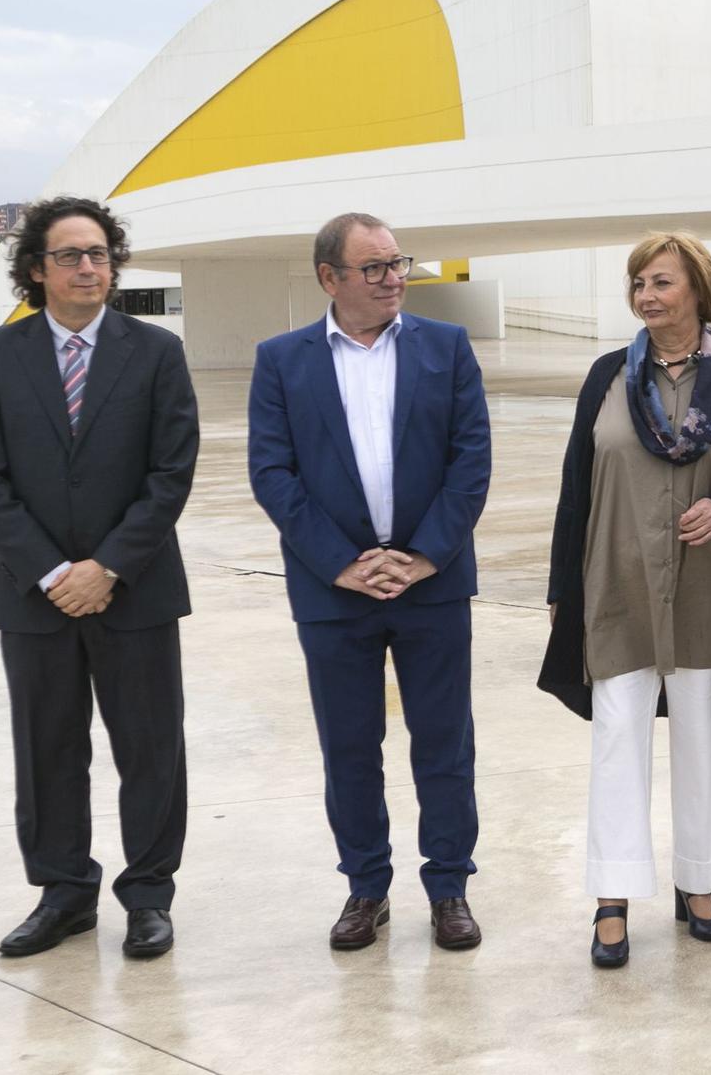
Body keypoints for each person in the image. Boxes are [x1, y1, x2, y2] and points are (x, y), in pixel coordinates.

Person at [0, 196, 198, 959]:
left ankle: (149, 895)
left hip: (138, 587)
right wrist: (58, 571)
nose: (90, 266)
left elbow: (171, 471)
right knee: (48, 746)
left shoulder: (155, 352)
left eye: (99, 253)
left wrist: (110, 566)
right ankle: (64, 892)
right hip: (34, 594)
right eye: (71, 255)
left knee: (150, 747)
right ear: (36, 270)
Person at [248, 212, 492, 952]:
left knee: (444, 744)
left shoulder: (445, 347)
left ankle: (449, 886)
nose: (394, 279)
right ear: (330, 277)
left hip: (433, 583)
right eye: (376, 268)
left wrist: (423, 555)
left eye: (397, 263)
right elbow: (273, 472)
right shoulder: (282, 360)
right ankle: (366, 887)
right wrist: (343, 563)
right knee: (350, 746)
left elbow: (470, 458)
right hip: (333, 593)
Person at [538, 232, 711, 968]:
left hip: (709, 587)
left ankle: (698, 884)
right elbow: (577, 484)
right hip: (616, 580)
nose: (647, 294)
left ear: (699, 290)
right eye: (638, 281)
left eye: (661, 281)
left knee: (705, 733)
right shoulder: (610, 373)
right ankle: (612, 894)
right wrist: (560, 591)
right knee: (617, 737)